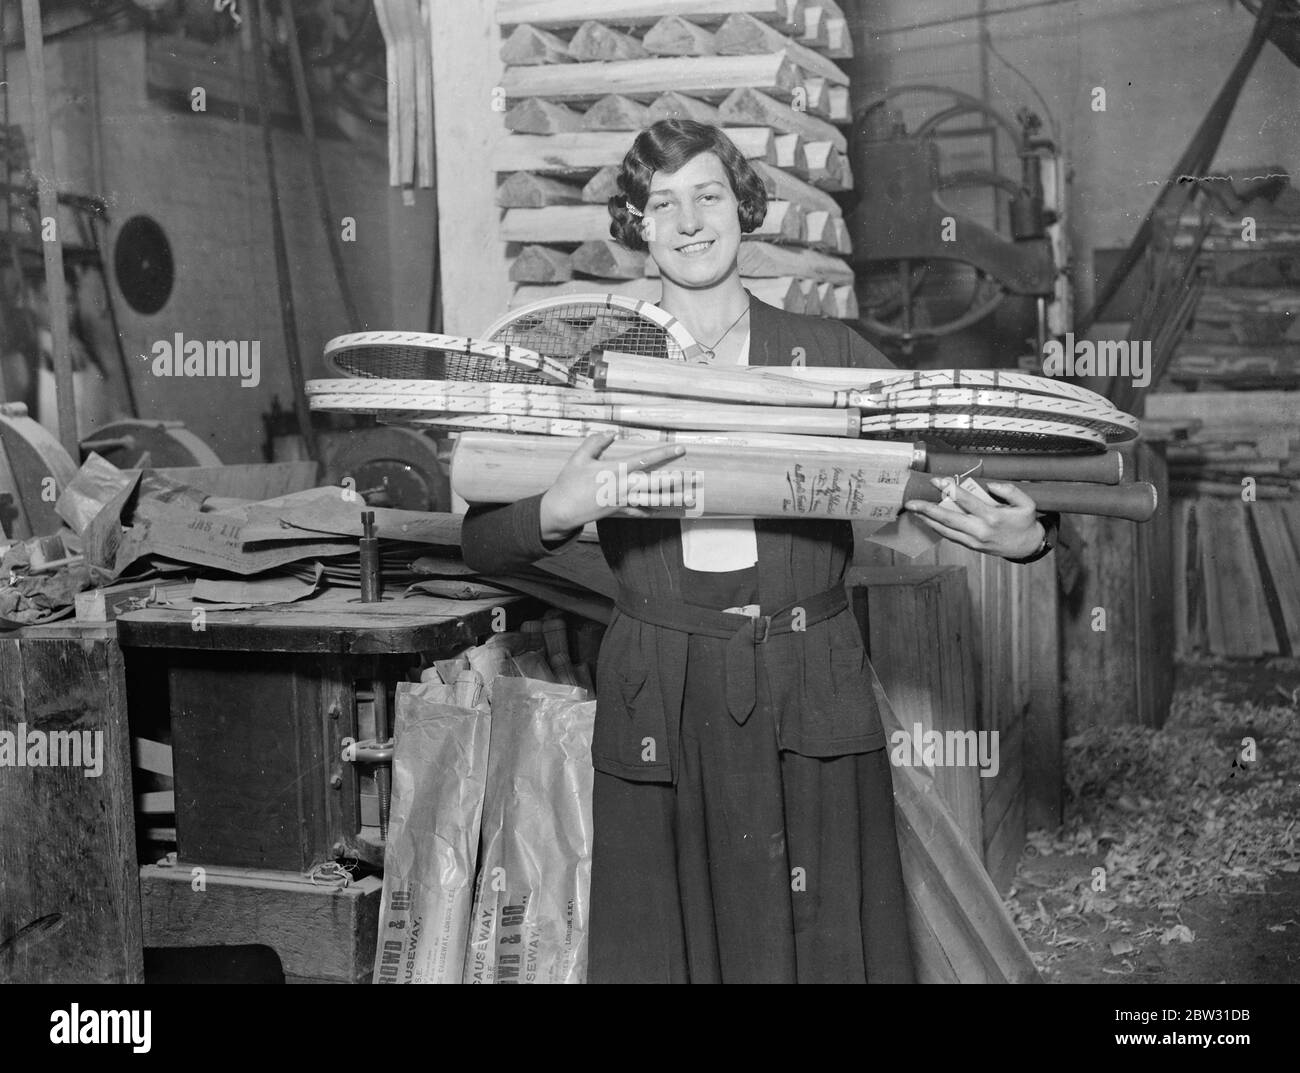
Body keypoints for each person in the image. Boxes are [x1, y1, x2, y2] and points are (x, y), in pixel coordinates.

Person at [460, 119, 1056, 983]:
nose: (689, 221)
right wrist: (562, 505)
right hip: (661, 692)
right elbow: (481, 540)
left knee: (827, 947)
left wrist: (1031, 536)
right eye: (662, 203)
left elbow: (959, 457)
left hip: (809, 679)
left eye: (708, 195)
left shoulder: (827, 357)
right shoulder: (596, 372)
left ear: (742, 208)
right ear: (635, 225)